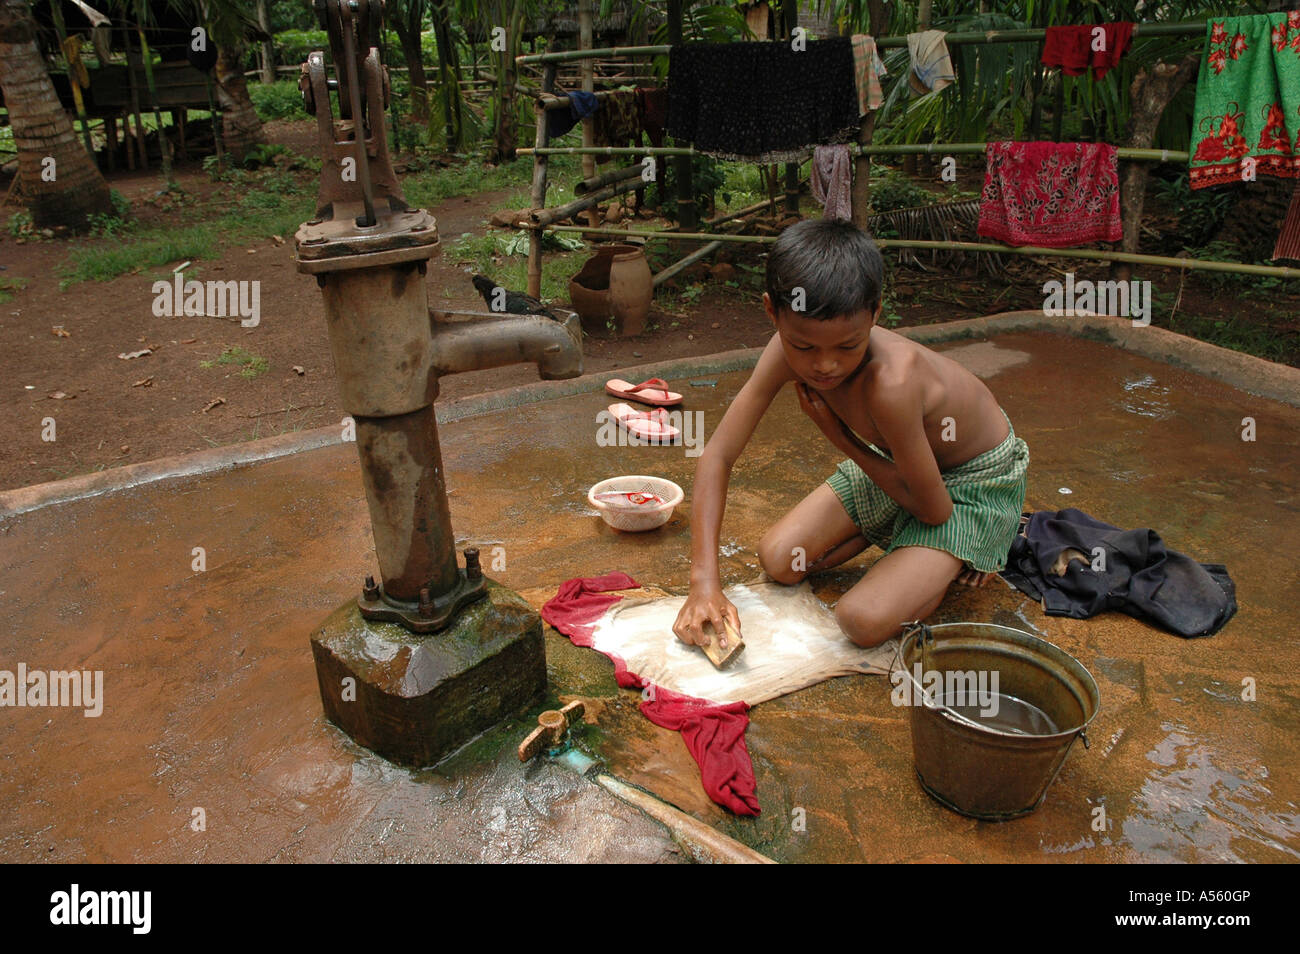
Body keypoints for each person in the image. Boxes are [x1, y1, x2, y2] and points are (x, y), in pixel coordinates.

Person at [672, 218, 1029, 650]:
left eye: (848, 346)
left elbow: (934, 509)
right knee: (780, 561)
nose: (825, 365)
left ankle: (968, 549)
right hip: (901, 468)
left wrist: (841, 439)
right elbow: (718, 456)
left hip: (970, 486)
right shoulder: (784, 348)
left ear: (875, 314)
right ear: (773, 312)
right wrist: (704, 582)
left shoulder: (892, 384)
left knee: (860, 621)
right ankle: (911, 544)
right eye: (805, 346)